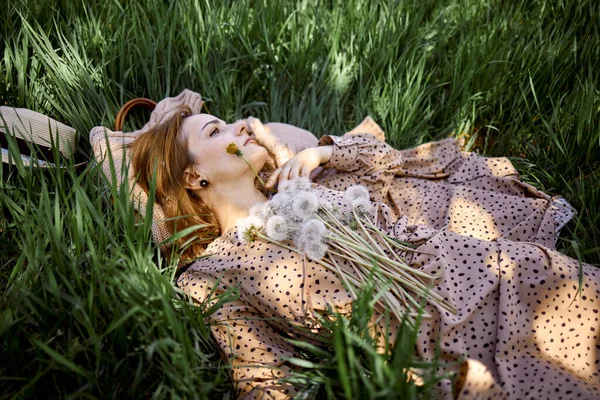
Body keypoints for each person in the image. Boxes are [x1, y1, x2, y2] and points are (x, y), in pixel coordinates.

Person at [128, 103, 600, 400]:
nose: (240, 127)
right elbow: (259, 374)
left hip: (491, 269)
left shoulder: (296, 182)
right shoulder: (210, 275)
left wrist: (319, 155)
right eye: (216, 132)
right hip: (438, 349)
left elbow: (386, 160)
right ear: (193, 178)